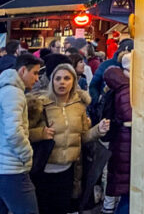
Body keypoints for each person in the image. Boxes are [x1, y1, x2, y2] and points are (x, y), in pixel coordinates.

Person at [28, 62, 108, 213]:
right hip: (43, 169)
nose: (62, 82)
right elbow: (24, 134)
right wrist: (41, 133)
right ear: (52, 81)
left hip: (68, 171)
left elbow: (82, 137)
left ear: (74, 81)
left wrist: (98, 130)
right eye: (57, 79)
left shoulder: (79, 106)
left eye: (66, 78)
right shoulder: (39, 104)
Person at [0, 53, 42, 214]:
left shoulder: (2, 90)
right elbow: (14, 132)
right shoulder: (14, 94)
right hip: (10, 169)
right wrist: (27, 154)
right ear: (23, 70)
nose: (37, 79)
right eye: (35, 73)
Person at [103, 53, 134, 214]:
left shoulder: (124, 86)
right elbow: (130, 116)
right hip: (126, 145)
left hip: (122, 143)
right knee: (129, 194)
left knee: (128, 194)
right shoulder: (126, 88)